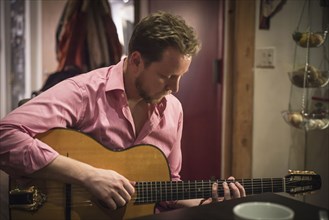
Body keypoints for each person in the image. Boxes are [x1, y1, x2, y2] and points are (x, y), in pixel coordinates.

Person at [0, 11, 245, 214]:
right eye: (166, 77)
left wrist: (205, 204)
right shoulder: (84, 91)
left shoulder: (173, 109)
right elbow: (6, 135)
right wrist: (88, 176)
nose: (175, 88)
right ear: (137, 61)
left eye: (181, 77)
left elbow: (166, 190)